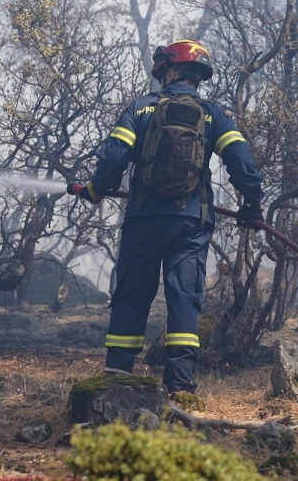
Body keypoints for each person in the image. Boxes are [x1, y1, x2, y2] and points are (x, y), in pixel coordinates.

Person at [78, 39, 264, 395]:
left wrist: (95, 189)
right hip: (191, 224)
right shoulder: (215, 114)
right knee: (184, 297)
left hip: (143, 220)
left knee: (132, 294)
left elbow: (114, 158)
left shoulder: (142, 109)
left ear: (171, 71)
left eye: (163, 73)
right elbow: (241, 162)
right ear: (198, 76)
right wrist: (252, 205)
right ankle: (180, 386)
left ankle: (117, 377)